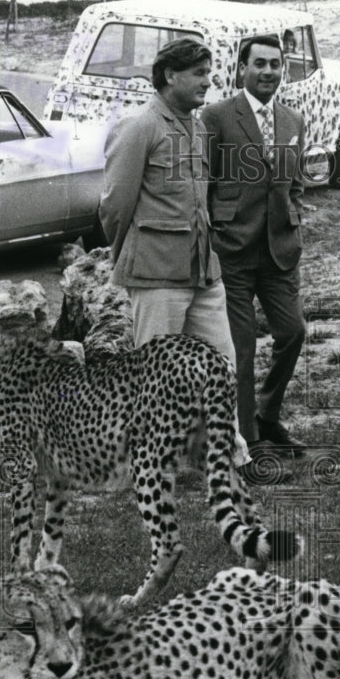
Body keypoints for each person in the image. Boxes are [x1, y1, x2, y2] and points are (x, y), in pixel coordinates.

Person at [99, 37, 260, 478]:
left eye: (209, 73)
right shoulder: (140, 127)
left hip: (203, 272)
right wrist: (131, 256)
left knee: (221, 366)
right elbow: (115, 207)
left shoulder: (197, 128)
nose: (208, 82)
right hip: (157, 276)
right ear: (170, 75)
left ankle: (230, 458)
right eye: (199, 73)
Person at [200, 34, 307, 464]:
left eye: (275, 64)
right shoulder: (216, 117)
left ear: (284, 70)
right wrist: (213, 235)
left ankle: (269, 414)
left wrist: (293, 220)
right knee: (240, 348)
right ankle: (248, 437)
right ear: (241, 69)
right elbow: (203, 182)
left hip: (279, 251)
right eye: (259, 63)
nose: (268, 72)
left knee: (293, 332)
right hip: (232, 251)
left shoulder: (293, 120)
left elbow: (296, 183)